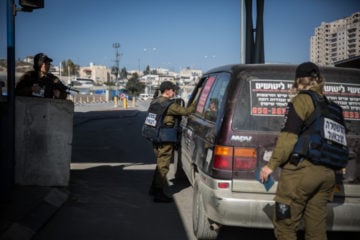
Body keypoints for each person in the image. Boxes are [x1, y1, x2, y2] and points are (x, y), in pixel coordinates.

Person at [260, 62, 338, 240]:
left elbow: (288, 137)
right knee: (317, 231)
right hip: (326, 175)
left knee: (285, 225)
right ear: (319, 81)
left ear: (297, 81)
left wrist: (271, 166)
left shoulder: (302, 100)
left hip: (301, 174)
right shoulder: (329, 105)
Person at [148, 81, 196, 203]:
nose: (174, 92)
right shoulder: (169, 105)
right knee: (163, 165)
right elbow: (187, 111)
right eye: (173, 90)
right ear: (167, 91)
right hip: (165, 138)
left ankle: (153, 188)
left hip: (155, 137)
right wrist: (197, 101)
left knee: (160, 163)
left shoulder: (155, 101)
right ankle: (158, 193)